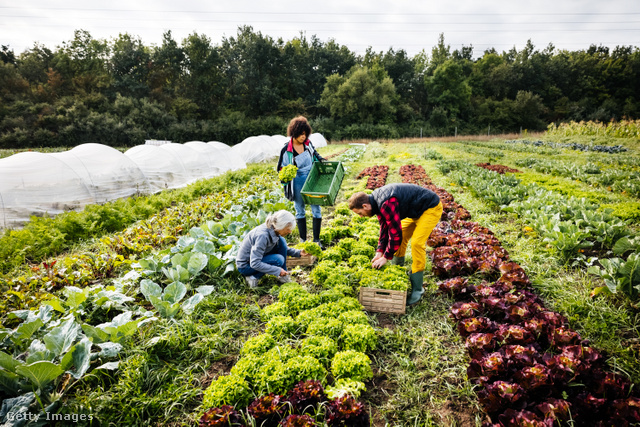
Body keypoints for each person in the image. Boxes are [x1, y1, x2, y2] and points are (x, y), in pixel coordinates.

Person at [348, 183, 443, 305]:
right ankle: (398, 269)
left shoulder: (386, 203)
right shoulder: (376, 203)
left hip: (430, 208)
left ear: (365, 206)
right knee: (402, 236)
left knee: (416, 243)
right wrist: (379, 252)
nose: (361, 216)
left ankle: (418, 288)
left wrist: (386, 257)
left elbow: (394, 234)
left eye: (359, 213)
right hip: (415, 211)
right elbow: (384, 228)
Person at [276, 116, 326, 247]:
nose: (303, 137)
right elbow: (280, 169)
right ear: (294, 133)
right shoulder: (286, 150)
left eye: (305, 134)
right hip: (297, 181)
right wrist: (285, 176)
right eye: (301, 134)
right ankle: (303, 240)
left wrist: (321, 159)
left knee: (316, 209)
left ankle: (316, 240)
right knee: (300, 210)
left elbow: (315, 153)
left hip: (311, 179)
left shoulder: (308, 144)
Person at [236, 210, 308, 288]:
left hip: (256, 258)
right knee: (278, 260)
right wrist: (277, 270)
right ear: (281, 226)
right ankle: (252, 277)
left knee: (282, 241)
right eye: (288, 229)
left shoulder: (274, 229)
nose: (290, 231)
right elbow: (255, 263)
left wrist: (299, 252)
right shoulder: (262, 236)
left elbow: (283, 248)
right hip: (246, 266)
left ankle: (284, 275)